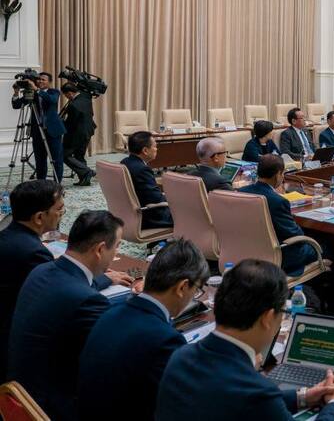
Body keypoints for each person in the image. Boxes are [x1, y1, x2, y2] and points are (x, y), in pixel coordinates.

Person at [155, 260, 334, 421]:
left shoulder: (180, 357)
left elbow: (227, 400)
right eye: (283, 312)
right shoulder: (255, 391)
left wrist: (303, 397)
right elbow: (254, 401)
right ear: (268, 317)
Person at [8, 211, 124, 421]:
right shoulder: (87, 300)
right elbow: (114, 355)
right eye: (117, 246)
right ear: (100, 249)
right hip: (51, 408)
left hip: (18, 395)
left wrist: (106, 279)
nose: (117, 251)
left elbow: (73, 285)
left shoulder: (41, 271)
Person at [77, 239, 210, 421]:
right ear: (182, 287)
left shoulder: (110, 311)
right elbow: (180, 403)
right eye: (196, 290)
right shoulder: (165, 340)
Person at [0, 180, 67, 379]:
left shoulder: (7, 235)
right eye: (59, 209)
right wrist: (103, 279)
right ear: (39, 217)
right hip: (14, 343)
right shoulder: (33, 253)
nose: (62, 214)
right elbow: (58, 293)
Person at [239, 155, 319, 274]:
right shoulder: (278, 201)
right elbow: (295, 234)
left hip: (248, 251)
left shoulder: (241, 192)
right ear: (278, 174)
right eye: (283, 174)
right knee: (326, 246)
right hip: (279, 256)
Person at [11, 71, 65, 182]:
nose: (40, 81)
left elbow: (51, 100)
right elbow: (17, 105)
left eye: (43, 80)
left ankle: (57, 184)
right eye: (39, 79)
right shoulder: (33, 93)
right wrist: (16, 93)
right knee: (40, 160)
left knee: (56, 159)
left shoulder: (54, 92)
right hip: (37, 131)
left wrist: (36, 90)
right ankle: (41, 183)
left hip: (53, 131)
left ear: (49, 82)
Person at [121, 131, 172, 228]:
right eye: (155, 146)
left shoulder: (125, 162)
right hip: (151, 216)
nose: (156, 149)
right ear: (145, 150)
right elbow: (157, 199)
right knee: (190, 213)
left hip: (129, 213)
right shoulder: (142, 169)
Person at [60, 82, 96, 186]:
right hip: (88, 131)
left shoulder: (73, 105)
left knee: (64, 155)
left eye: (66, 95)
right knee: (79, 156)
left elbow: (71, 123)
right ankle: (85, 179)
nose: (66, 97)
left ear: (70, 93)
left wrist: (61, 123)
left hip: (77, 134)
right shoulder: (86, 98)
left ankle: (87, 171)